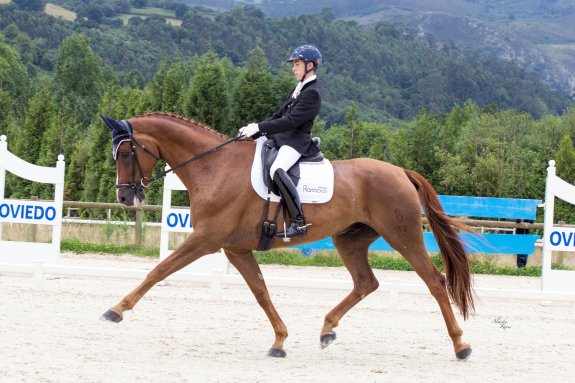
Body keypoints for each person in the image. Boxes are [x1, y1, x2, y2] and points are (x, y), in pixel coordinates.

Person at [239, 44, 322, 238]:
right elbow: (278, 116)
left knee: (277, 169)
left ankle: (299, 222)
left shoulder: (312, 93)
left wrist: (260, 128)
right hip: (282, 139)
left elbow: (291, 121)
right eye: (293, 64)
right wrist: (255, 128)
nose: (293, 68)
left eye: (297, 64)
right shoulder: (298, 89)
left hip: (296, 142)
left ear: (310, 65)